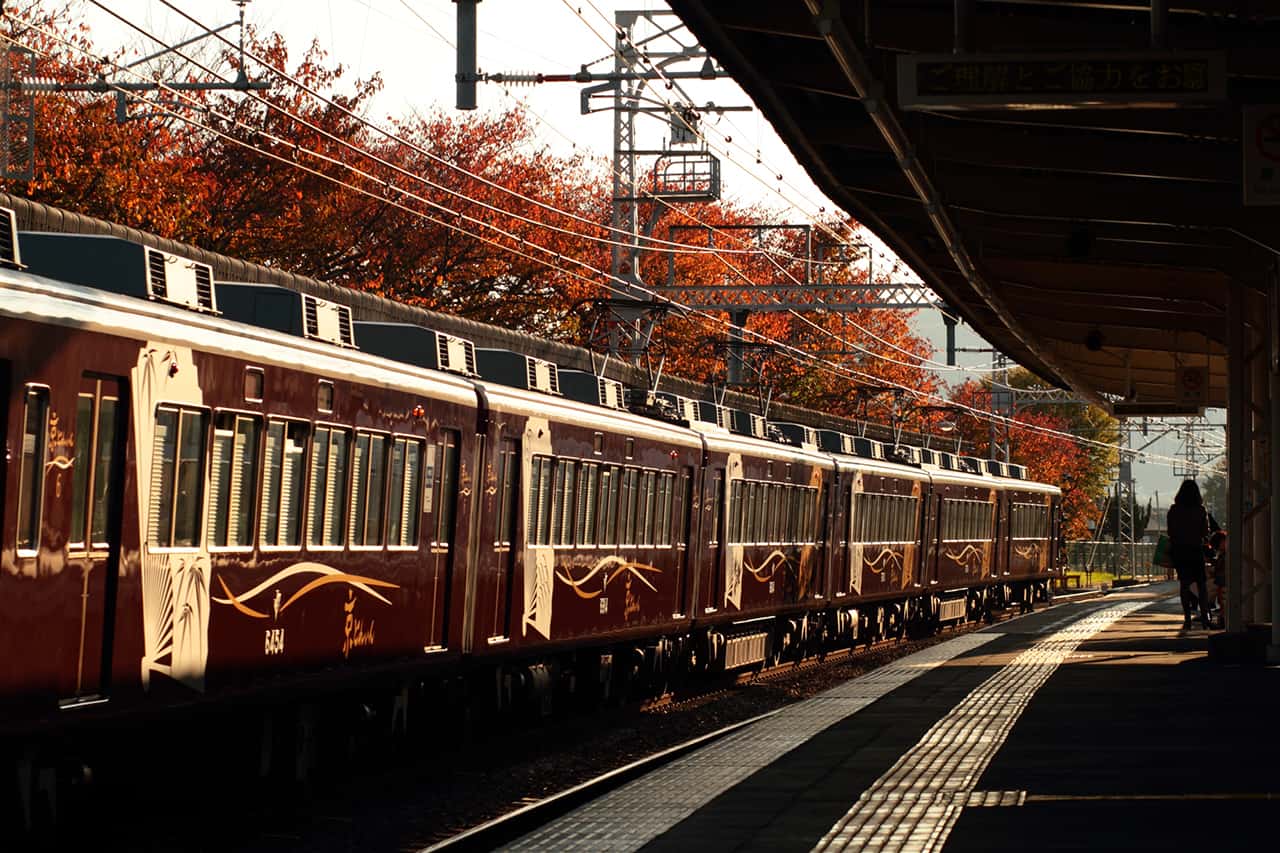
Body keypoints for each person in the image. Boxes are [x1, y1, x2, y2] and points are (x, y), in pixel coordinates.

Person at [1167, 479, 1211, 629]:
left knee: (1184, 585)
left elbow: (1170, 532)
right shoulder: (1200, 510)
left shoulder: (1174, 510)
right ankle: (1205, 618)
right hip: (1195, 550)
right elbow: (1205, 532)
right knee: (1201, 585)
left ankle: (1187, 619)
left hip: (1180, 551)